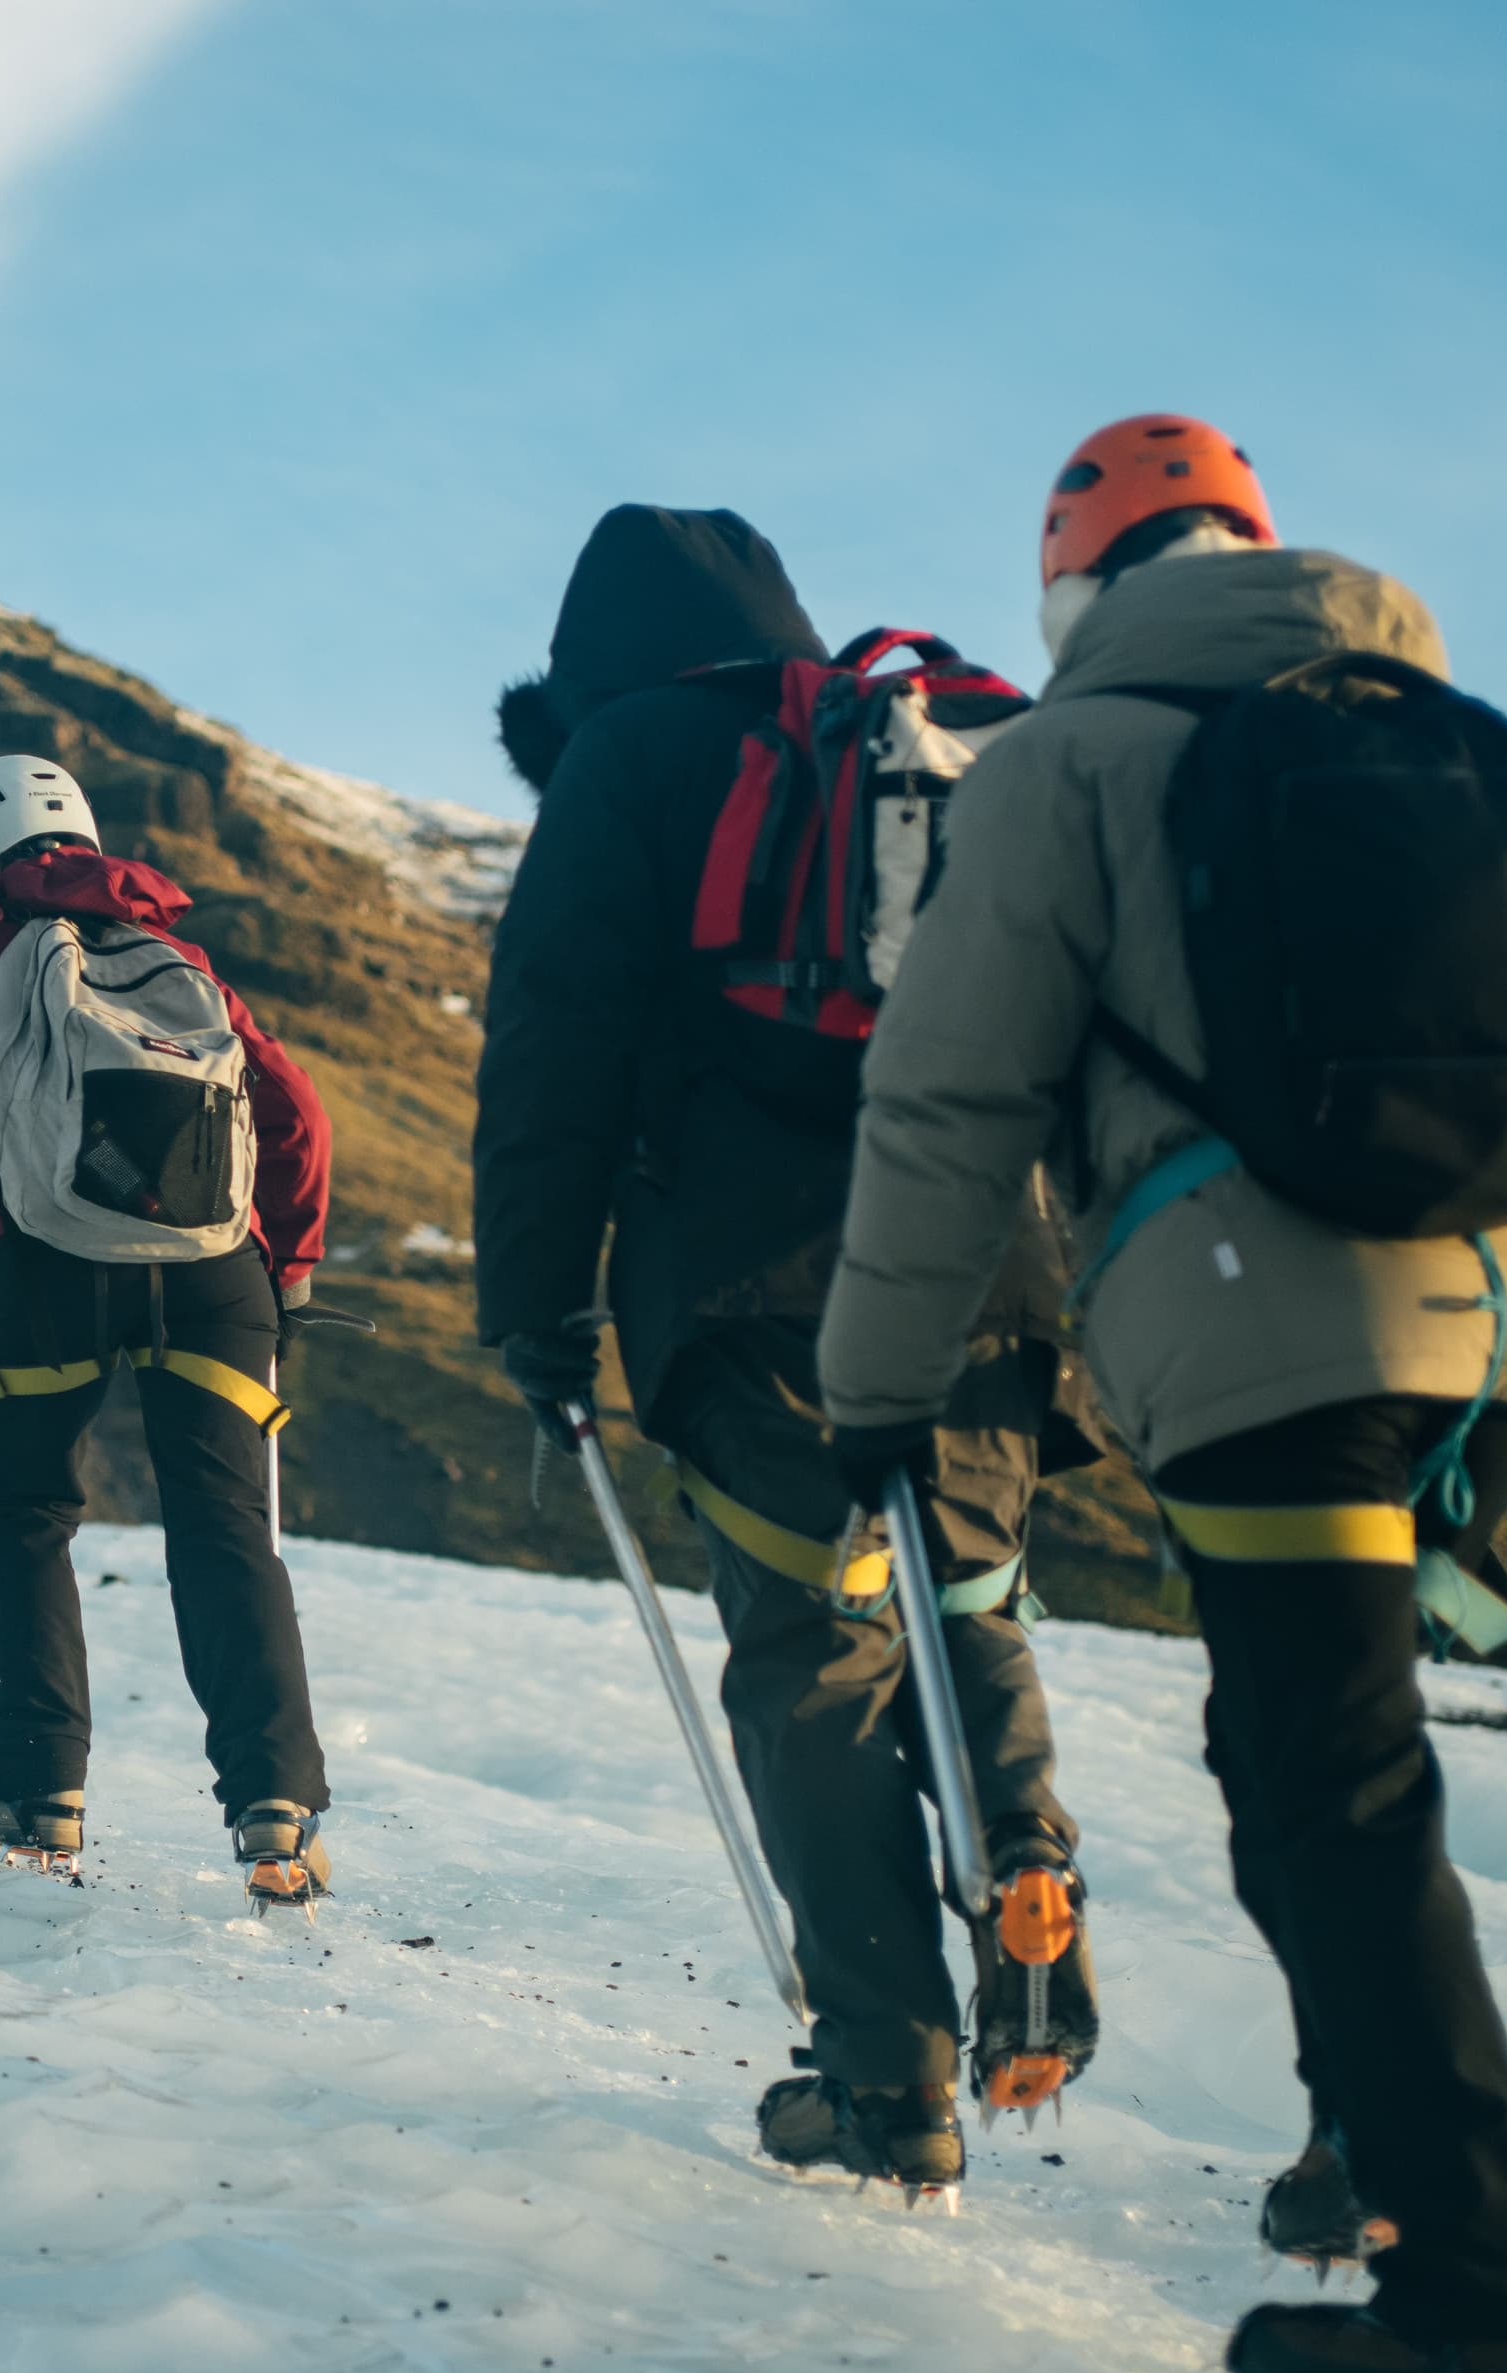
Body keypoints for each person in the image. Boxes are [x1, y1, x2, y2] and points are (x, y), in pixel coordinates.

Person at [815, 414, 1507, 2373]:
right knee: (1303, 1766)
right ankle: (1378, 2168)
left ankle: (1479, 2300)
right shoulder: (1451, 739)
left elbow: (952, 1090)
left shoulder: (1070, 765)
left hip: (1272, 1336)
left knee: (1335, 1788)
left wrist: (878, 1383)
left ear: (1078, 587)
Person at [470, 507, 1103, 2203]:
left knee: (817, 1659)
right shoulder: (923, 747)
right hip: (985, 1272)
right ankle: (1025, 1864)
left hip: (753, 1294)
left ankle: (890, 2079)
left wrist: (538, 1304)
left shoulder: (629, 759)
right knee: (969, 1602)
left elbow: (554, 1043)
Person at [0, 757, 345, 1904]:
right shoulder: (173, 949)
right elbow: (296, 1115)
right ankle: (277, 1810)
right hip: (214, 1274)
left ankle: (38, 1785)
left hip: (52, 1266)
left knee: (30, 1513)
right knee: (226, 1528)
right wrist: (285, 1269)